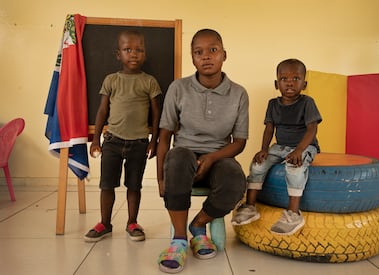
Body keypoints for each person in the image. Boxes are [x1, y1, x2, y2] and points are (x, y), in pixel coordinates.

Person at [156, 29, 248, 273]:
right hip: (184, 159)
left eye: (213, 50)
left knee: (236, 179)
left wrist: (211, 158)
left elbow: (239, 142)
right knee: (178, 157)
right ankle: (178, 240)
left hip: (219, 157)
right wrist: (160, 178)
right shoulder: (179, 88)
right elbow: (164, 135)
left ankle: (198, 225)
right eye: (199, 52)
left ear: (224, 55)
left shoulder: (238, 93)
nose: (206, 56)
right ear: (192, 58)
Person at [84, 30, 162, 242]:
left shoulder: (150, 82)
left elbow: (156, 114)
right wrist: (95, 140)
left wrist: (154, 141)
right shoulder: (111, 80)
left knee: (134, 185)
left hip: (138, 142)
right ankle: (105, 223)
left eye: (139, 50)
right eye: (128, 50)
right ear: (118, 54)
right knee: (107, 184)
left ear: (144, 54)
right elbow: (102, 111)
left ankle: (132, 222)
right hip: (112, 141)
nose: (134, 54)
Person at [231, 58, 322, 236]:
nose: (289, 82)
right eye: (284, 79)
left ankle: (293, 214)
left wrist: (299, 150)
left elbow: (312, 128)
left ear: (304, 84)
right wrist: (264, 149)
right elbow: (269, 128)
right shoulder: (273, 104)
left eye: (296, 78)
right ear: (276, 83)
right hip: (279, 147)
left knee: (294, 169)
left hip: (304, 146)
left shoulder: (307, 103)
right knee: (257, 165)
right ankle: (250, 207)